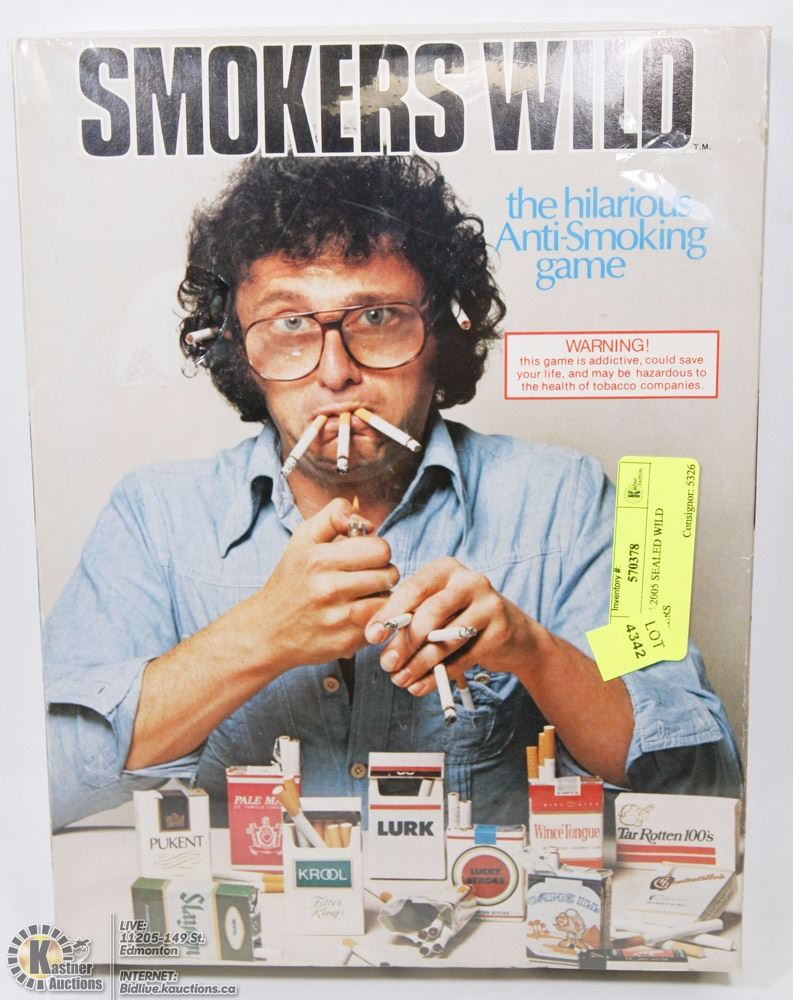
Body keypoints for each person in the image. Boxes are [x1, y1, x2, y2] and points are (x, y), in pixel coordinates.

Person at [44, 155, 741, 830]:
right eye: (290, 324)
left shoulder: (571, 497)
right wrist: (261, 634)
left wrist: (533, 652)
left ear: (443, 333)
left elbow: (704, 779)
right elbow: (36, 781)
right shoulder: (153, 516)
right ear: (238, 351)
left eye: (376, 317)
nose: (335, 374)